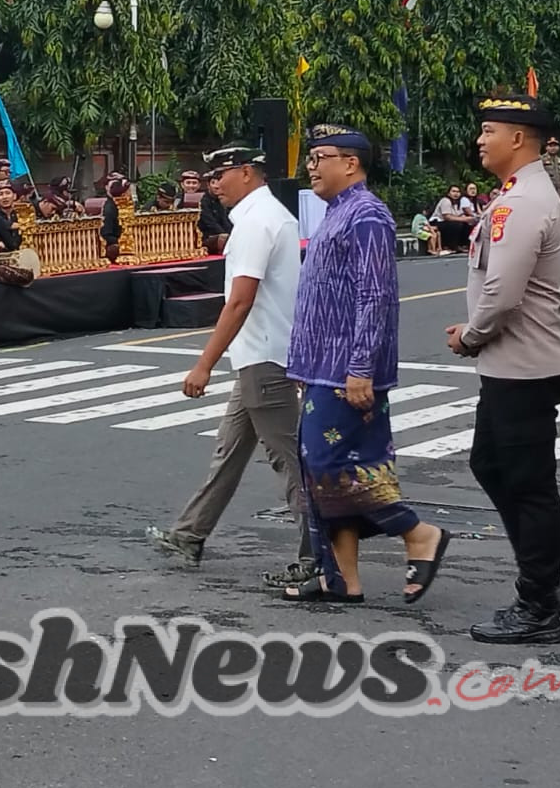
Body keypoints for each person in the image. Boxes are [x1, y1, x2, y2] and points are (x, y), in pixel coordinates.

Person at [280, 125, 450, 605]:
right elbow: (322, 297)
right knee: (325, 472)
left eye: (320, 157)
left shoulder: (367, 215)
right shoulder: (336, 213)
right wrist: (302, 362)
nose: (311, 166)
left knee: (337, 469)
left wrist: (361, 368)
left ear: (350, 163)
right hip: (321, 368)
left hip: (345, 371)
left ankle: (418, 534)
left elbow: (375, 297)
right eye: (310, 158)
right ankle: (341, 579)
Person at [444, 96, 560, 645]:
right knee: (491, 465)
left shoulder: (520, 204)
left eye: (488, 130)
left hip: (524, 364)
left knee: (529, 486)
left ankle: (539, 606)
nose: (480, 139)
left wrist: (470, 335)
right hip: (514, 363)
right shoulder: (517, 196)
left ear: (519, 139)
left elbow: (501, 295)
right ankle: (542, 578)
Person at [146, 144, 312, 587]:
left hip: (264, 356)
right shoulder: (269, 216)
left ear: (247, 173)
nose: (212, 185)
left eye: (220, 176)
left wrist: (203, 364)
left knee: (290, 460)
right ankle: (189, 533)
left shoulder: (257, 222)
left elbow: (240, 301)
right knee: (229, 451)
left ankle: (317, 552)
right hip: (259, 354)